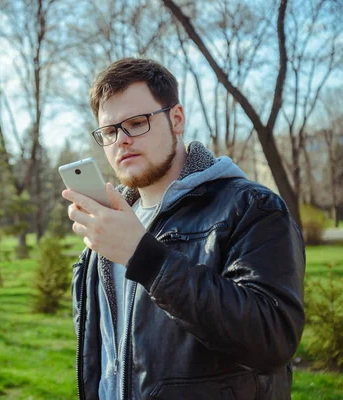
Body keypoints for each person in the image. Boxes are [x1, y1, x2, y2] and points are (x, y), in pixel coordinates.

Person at [63, 58, 305, 400]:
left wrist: (145, 258)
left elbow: (273, 339)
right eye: (110, 131)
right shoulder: (109, 225)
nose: (122, 140)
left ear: (176, 119)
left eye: (136, 123)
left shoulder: (251, 207)